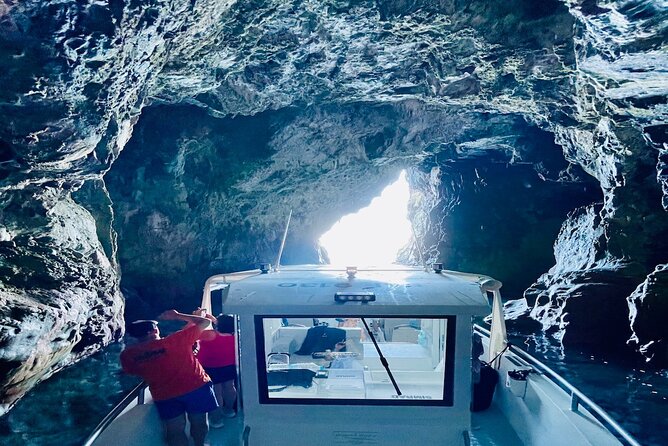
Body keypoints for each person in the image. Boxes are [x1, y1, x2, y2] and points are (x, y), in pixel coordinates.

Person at [120, 310, 218, 446]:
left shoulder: (128, 355)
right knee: (199, 422)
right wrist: (177, 315)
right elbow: (205, 322)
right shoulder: (175, 340)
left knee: (174, 430)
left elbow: (131, 372)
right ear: (153, 332)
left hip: (165, 395)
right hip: (196, 387)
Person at [196, 311, 238, 424]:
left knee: (216, 391)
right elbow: (225, 325)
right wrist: (215, 320)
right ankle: (229, 410)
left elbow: (192, 333)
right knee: (230, 387)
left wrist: (198, 318)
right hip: (229, 365)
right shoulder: (235, 336)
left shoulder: (209, 335)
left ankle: (216, 419)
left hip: (211, 367)